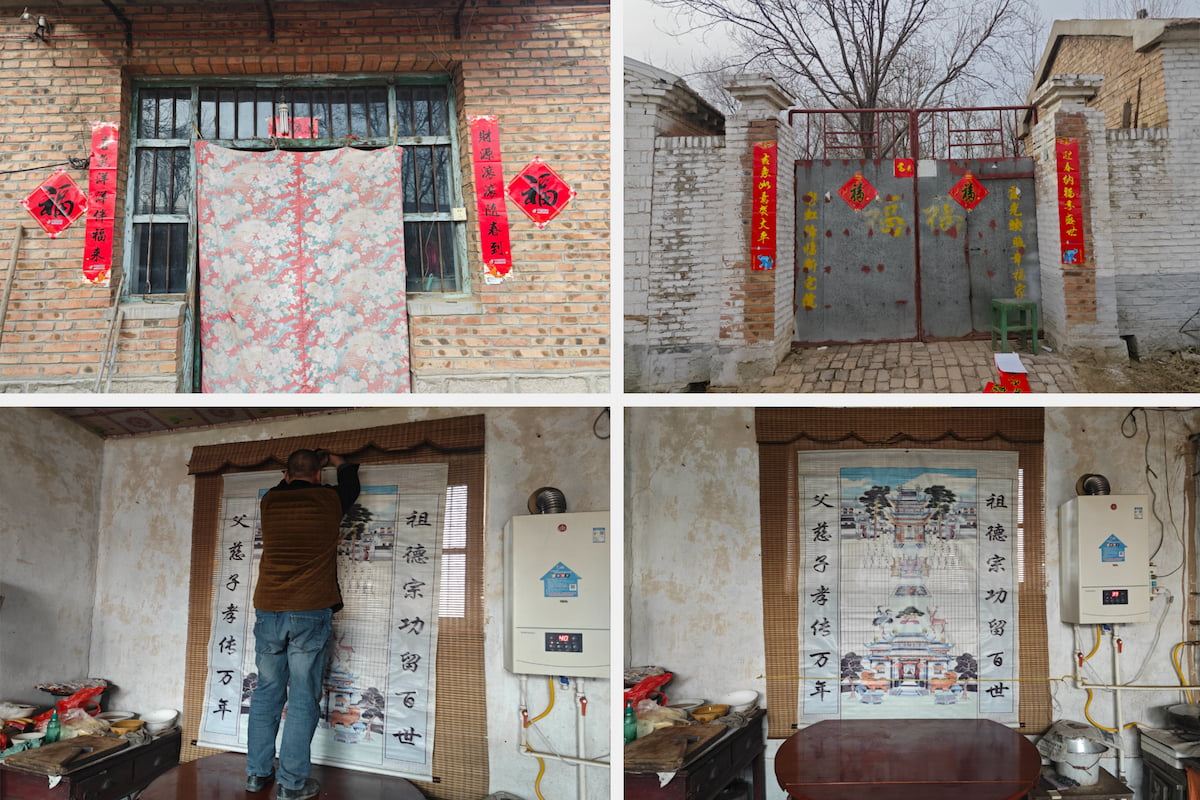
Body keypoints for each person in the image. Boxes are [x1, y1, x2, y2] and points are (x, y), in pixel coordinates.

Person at [246, 448, 360, 800]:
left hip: (269, 609)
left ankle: (256, 774)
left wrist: (296, 472)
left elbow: (287, 484)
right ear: (318, 475)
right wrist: (338, 461)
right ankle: (292, 785)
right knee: (302, 697)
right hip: (310, 610)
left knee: (267, 692)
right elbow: (350, 481)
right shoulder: (329, 500)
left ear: (286, 473)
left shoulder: (270, 502)